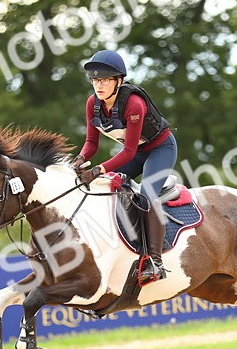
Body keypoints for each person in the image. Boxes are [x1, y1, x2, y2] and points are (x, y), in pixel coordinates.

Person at [75, 49, 178, 283]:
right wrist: (79, 160)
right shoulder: (92, 103)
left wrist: (97, 170)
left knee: (146, 196)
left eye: (105, 80)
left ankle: (155, 262)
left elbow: (128, 152)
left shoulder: (134, 104)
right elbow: (91, 143)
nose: (98, 85)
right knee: (106, 188)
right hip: (136, 153)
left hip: (160, 149)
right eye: (95, 80)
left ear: (118, 81)